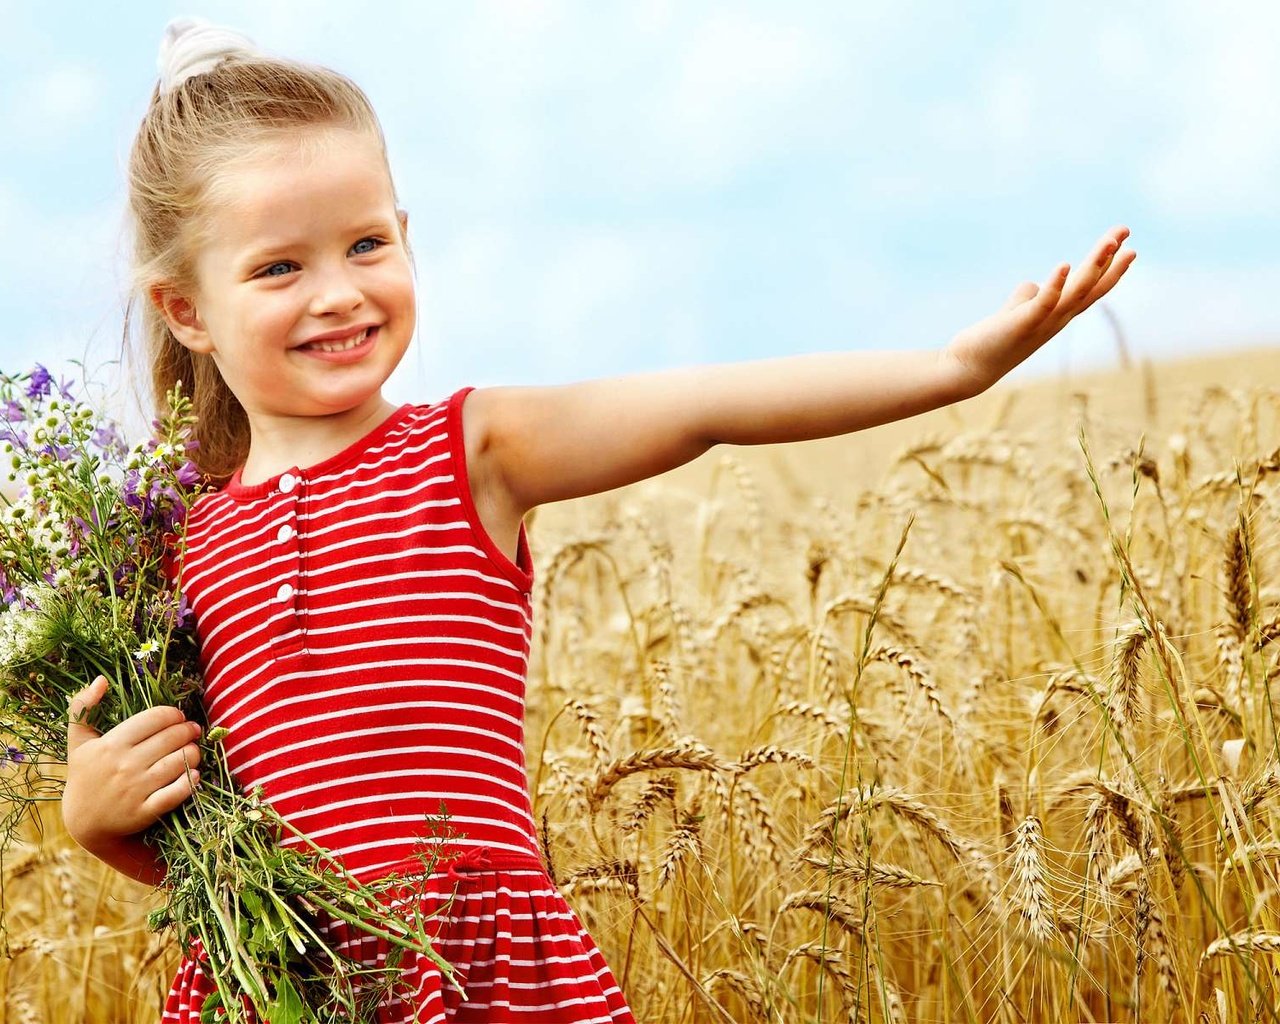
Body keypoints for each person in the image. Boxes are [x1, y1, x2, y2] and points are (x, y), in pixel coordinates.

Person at [58, 15, 1135, 1024]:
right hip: (283, 979)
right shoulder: (169, 545)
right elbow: (207, 845)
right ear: (186, 308)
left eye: (367, 245)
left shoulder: (469, 449)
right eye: (279, 267)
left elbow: (705, 409)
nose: (337, 292)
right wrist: (98, 822)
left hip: (479, 968)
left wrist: (951, 368)